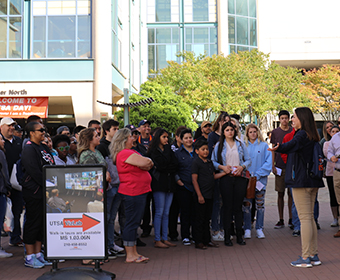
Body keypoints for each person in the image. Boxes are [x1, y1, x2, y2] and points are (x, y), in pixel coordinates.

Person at [269, 107, 324, 268]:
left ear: (302, 119)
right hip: (312, 180)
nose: (292, 120)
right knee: (310, 218)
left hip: (301, 180)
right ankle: (313, 255)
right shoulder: (313, 135)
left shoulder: (301, 135)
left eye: (294, 117)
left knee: (305, 218)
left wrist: (277, 147)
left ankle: (306, 256)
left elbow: (289, 145)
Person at [110, 128, 153, 263]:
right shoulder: (124, 153)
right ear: (123, 140)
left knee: (134, 222)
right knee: (131, 223)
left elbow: (148, 164)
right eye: (130, 137)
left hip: (137, 191)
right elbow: (146, 163)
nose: (132, 139)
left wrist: (145, 162)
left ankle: (133, 252)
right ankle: (130, 254)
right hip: (132, 192)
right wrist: (145, 162)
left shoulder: (130, 152)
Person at [212, 121, 251, 246]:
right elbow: (212, 161)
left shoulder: (240, 144)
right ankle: (227, 236)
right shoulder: (219, 145)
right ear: (223, 132)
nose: (230, 132)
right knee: (227, 207)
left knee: (238, 207)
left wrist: (242, 167)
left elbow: (248, 159)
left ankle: (240, 235)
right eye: (227, 130)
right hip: (226, 178)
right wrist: (222, 167)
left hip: (239, 178)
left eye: (232, 129)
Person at [21, 122, 54, 268]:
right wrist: (48, 183)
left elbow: (50, 165)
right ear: (31, 133)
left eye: (44, 130)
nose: (43, 132)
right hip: (34, 191)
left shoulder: (44, 147)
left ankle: (38, 254)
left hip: (45, 192)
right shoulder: (28, 148)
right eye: (40, 130)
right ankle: (29, 256)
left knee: (41, 224)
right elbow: (34, 170)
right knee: (33, 222)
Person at [192, 139, 226, 249]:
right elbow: (194, 180)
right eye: (203, 149)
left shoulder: (210, 162)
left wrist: (224, 173)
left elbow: (213, 176)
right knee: (199, 219)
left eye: (207, 149)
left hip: (210, 194)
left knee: (207, 218)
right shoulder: (196, 163)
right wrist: (199, 195)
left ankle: (207, 239)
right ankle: (198, 241)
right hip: (201, 195)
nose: (205, 151)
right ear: (197, 151)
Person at [146, 128, 178, 249]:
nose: (166, 139)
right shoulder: (154, 151)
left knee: (166, 212)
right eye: (164, 137)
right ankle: (157, 239)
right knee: (159, 212)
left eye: (167, 137)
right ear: (158, 137)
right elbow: (160, 166)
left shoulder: (169, 149)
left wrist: (166, 167)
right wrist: (167, 166)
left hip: (169, 184)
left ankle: (164, 237)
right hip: (159, 184)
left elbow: (175, 164)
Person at [243, 124, 272, 239]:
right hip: (247, 180)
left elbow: (268, 163)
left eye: (255, 131)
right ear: (247, 134)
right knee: (246, 205)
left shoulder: (264, 146)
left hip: (260, 180)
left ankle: (259, 228)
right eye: (250, 132)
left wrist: (258, 174)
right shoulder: (243, 146)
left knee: (260, 205)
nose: (253, 134)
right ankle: (247, 228)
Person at [0, 117, 23, 248]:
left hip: (16, 183)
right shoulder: (0, 143)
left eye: (13, 125)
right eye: (8, 125)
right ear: (1, 127)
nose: (11, 128)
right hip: (3, 184)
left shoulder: (19, 142)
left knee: (17, 210)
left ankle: (16, 237)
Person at [208, 112, 230, 242]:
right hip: (217, 171)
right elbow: (211, 156)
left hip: (228, 173)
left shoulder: (228, 136)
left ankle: (223, 228)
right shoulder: (212, 136)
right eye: (223, 120)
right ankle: (215, 229)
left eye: (227, 121)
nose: (225, 123)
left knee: (225, 203)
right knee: (216, 202)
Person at [174, 128, 197, 246]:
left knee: (195, 212)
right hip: (184, 187)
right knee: (185, 212)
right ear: (181, 140)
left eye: (190, 137)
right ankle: (185, 236)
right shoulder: (177, 154)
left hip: (197, 187)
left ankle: (195, 235)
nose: (188, 140)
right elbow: (174, 170)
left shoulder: (197, 152)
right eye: (186, 138)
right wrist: (178, 181)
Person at [271, 110, 293, 229]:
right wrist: (273, 165)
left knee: (291, 193)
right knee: (280, 193)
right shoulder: (275, 132)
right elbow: (274, 149)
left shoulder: (293, 131)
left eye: (286, 118)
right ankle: (281, 219)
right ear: (279, 119)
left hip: (291, 165)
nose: (284, 120)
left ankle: (291, 218)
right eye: (282, 118)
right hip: (279, 165)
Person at [168, 125, 186, 241]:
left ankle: (186, 235)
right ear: (178, 137)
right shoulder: (172, 149)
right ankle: (173, 234)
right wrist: (177, 179)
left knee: (185, 210)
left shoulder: (189, 149)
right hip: (174, 183)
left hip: (186, 183)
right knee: (173, 210)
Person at [323, 125, 340, 227]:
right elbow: (328, 152)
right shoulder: (335, 138)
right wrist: (332, 157)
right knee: (337, 198)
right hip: (336, 171)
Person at [0, 134, 13, 258]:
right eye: (0, 139)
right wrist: (8, 187)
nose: (3, 141)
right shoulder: (0, 153)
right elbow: (4, 172)